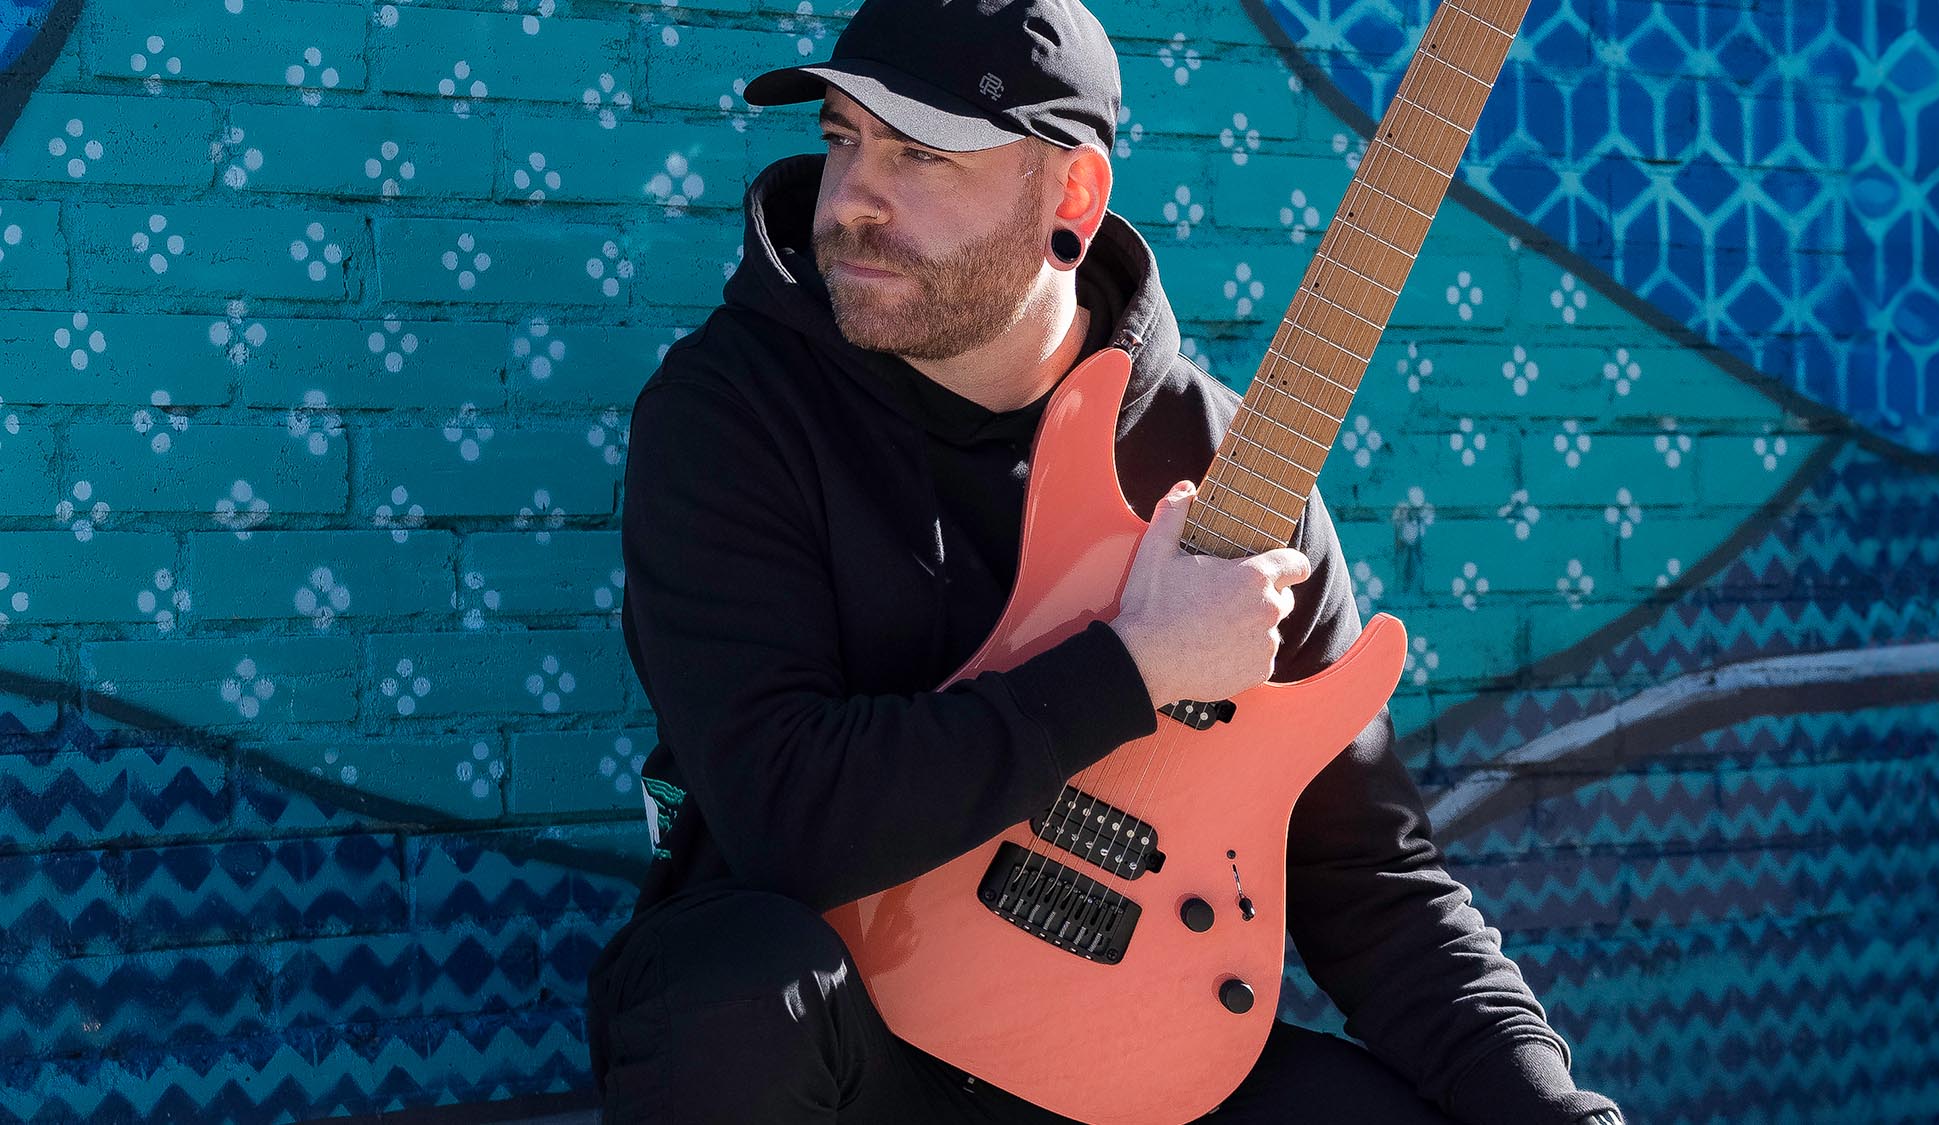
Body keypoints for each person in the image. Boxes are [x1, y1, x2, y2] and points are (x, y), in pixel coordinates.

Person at [585, 0, 1625, 1121]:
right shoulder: (734, 410)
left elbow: (1369, 883)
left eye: (922, 154)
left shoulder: (1231, 470)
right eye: (844, 138)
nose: (852, 200)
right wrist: (1135, 668)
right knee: (731, 996)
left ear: (1070, 198)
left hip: (1127, 1042)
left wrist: (1552, 1107)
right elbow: (779, 806)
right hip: (846, 1041)